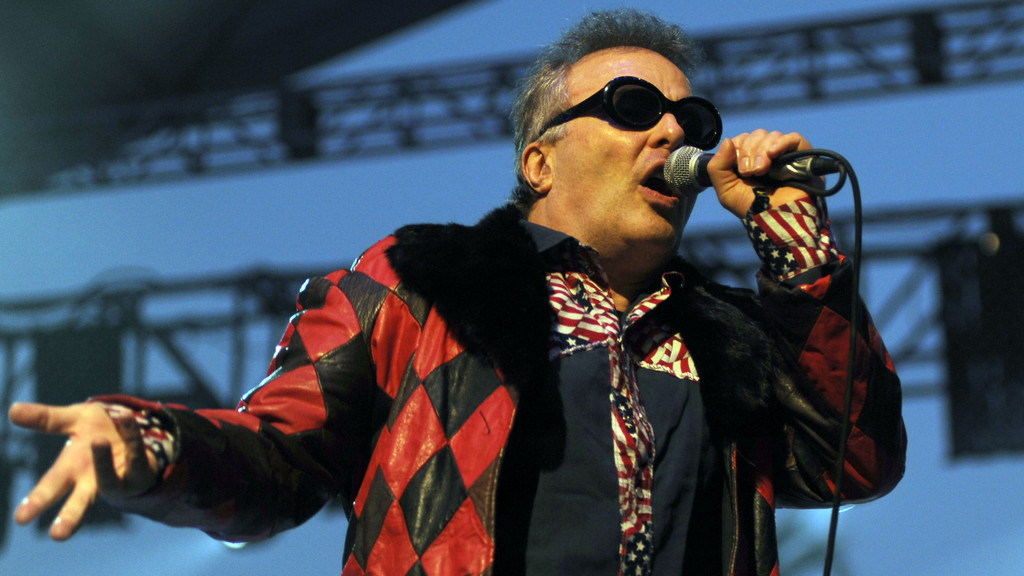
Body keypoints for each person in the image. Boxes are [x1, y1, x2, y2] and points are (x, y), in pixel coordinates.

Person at [7, 8, 906, 576]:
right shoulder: (422, 285)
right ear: (539, 159)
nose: (672, 128)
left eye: (690, 118)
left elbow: (854, 462)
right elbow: (280, 454)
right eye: (633, 107)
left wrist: (798, 252)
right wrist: (148, 443)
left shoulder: (728, 338)